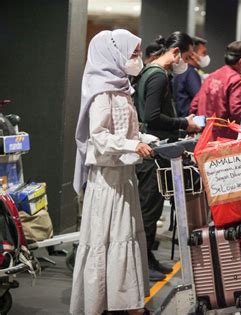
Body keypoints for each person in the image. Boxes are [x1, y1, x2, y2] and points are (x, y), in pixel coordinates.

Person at [71, 29, 154, 315]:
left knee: (125, 237)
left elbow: (124, 130)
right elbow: (99, 136)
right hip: (107, 181)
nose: (137, 59)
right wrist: (133, 143)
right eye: (132, 54)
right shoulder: (102, 93)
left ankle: (128, 303)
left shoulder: (122, 89)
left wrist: (141, 140)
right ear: (113, 54)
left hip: (123, 175)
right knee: (109, 239)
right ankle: (105, 304)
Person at [134, 32, 201, 281]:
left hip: (154, 147)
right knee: (148, 209)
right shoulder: (158, 76)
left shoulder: (150, 72)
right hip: (152, 150)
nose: (187, 61)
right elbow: (152, 117)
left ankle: (148, 258)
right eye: (186, 56)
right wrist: (185, 122)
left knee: (150, 208)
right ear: (175, 53)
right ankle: (142, 261)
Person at [190, 41, 241, 139]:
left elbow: (194, 106)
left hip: (205, 138)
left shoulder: (211, 76)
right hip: (225, 140)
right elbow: (239, 111)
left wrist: (201, 128)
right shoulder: (238, 80)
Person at [173, 36, 210, 118]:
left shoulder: (185, 70)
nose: (206, 57)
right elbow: (200, 98)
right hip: (189, 120)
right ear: (193, 54)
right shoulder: (191, 73)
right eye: (203, 53)